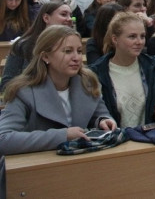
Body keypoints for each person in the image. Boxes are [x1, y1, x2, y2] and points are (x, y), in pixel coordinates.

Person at [0, 26, 117, 155]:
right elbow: (3, 139)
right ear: (45, 57)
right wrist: (62, 136)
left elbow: (100, 115)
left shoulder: (88, 82)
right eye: (67, 51)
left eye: (79, 51)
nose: (76, 58)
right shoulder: (23, 91)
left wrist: (102, 121)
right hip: (41, 164)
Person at [90, 13, 155, 127]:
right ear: (115, 39)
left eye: (142, 36)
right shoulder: (97, 73)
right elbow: (93, 116)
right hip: (116, 136)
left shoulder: (154, 67)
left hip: (149, 135)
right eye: (132, 36)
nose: (139, 42)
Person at [0, 1, 75, 92]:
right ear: (46, 18)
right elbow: (7, 84)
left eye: (70, 15)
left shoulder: (73, 44)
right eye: (63, 14)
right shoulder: (23, 45)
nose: (69, 19)